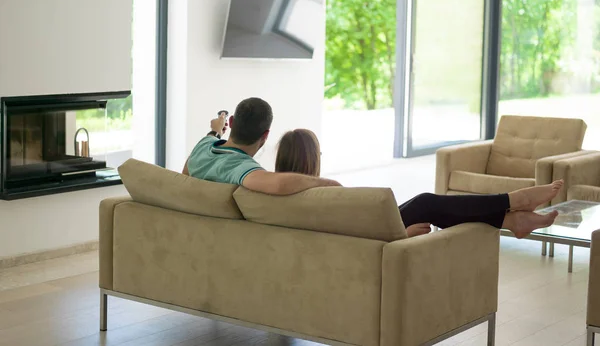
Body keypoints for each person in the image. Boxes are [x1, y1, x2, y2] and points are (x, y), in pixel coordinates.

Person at [274, 128, 561, 239]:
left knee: (425, 202)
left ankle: (511, 215)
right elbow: (346, 238)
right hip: (369, 239)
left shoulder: (273, 192)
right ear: (310, 158)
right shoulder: (324, 190)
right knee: (427, 203)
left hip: (363, 234)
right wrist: (402, 235)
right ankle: (513, 204)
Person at [182, 97, 341, 195]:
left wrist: (215, 131)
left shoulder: (202, 147)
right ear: (265, 135)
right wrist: (331, 185)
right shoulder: (242, 167)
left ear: (230, 123)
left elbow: (186, 171)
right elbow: (278, 184)